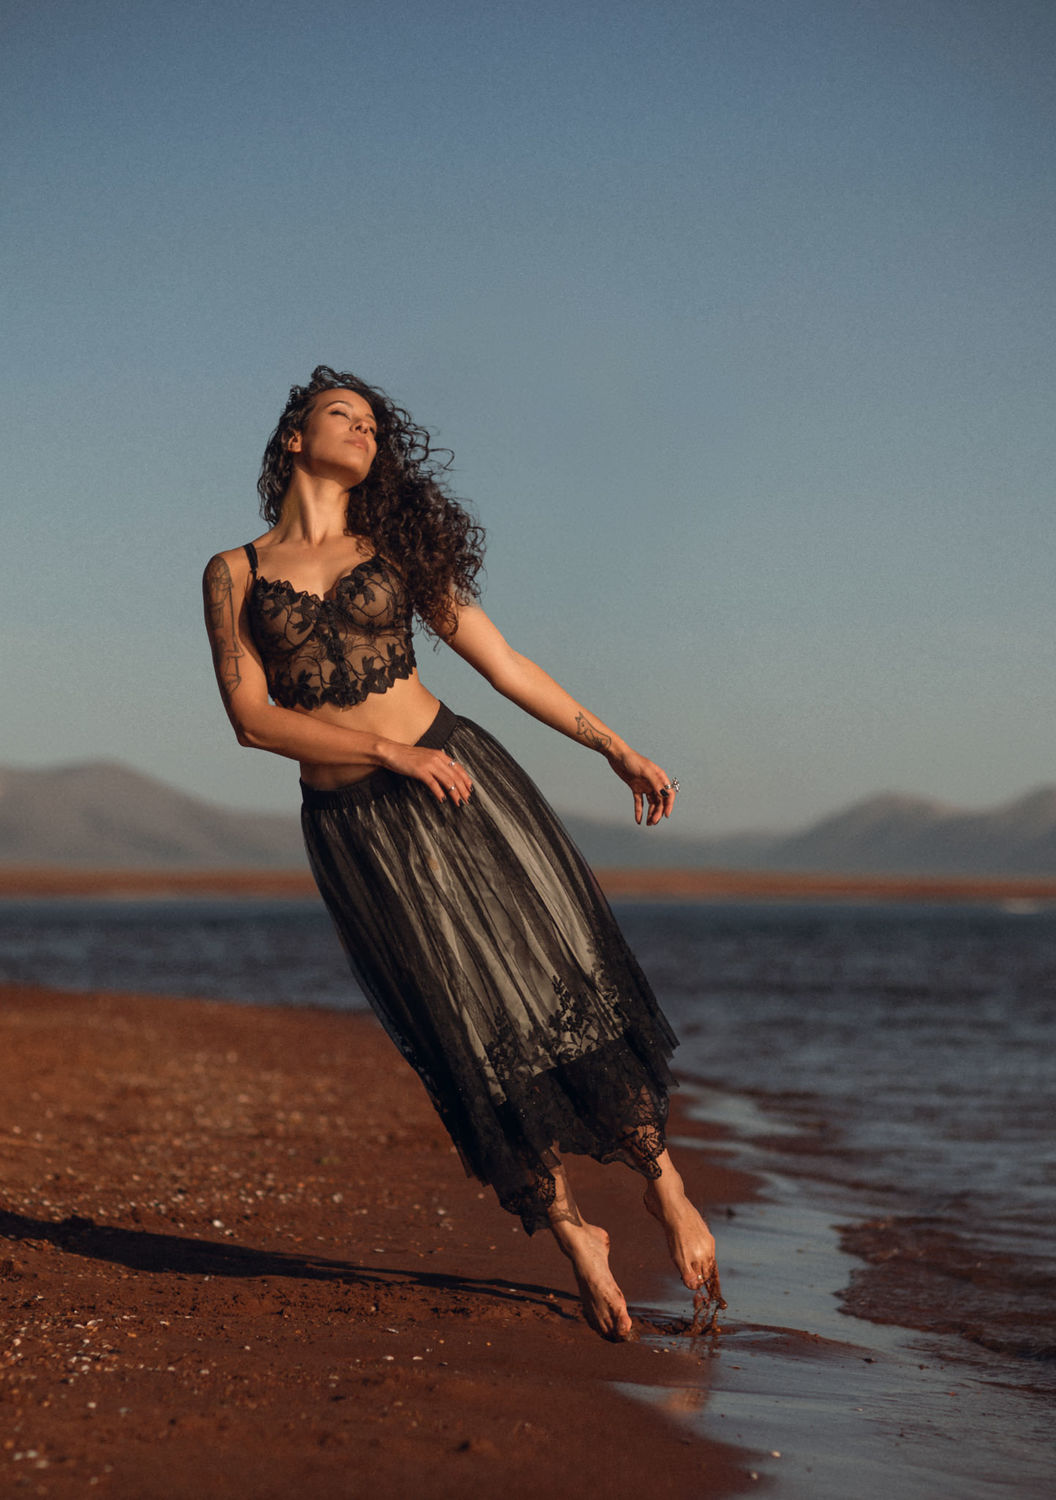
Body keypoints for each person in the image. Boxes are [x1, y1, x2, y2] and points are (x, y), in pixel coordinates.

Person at [202, 366, 720, 1341]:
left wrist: (615, 747)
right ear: (292, 441)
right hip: (359, 825)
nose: (362, 429)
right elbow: (250, 718)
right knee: (461, 1032)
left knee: (550, 986)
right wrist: (380, 752)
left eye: (373, 422)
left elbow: (504, 661)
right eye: (340, 415)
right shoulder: (232, 571)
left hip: (456, 781)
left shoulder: (394, 547)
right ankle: (575, 1239)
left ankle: (666, 1185)